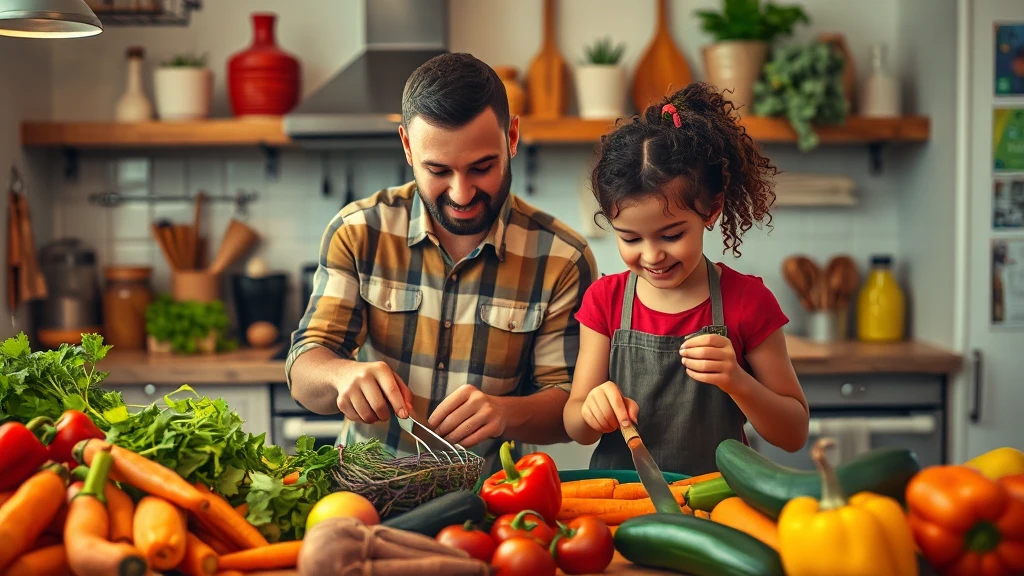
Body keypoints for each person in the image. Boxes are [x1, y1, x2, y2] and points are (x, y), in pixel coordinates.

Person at [287, 52, 599, 473]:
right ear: (407, 146)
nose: (462, 193)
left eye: (482, 167)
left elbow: (568, 407)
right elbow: (304, 366)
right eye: (438, 170)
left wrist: (504, 413)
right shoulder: (359, 231)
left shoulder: (562, 258)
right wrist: (340, 376)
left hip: (488, 506)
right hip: (365, 493)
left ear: (512, 137)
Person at [563, 83, 810, 476]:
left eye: (671, 235)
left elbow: (794, 433)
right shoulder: (604, 300)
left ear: (711, 210)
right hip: (621, 507)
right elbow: (575, 424)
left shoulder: (747, 301)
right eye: (630, 238)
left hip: (717, 507)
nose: (651, 255)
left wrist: (738, 382)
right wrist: (592, 409)